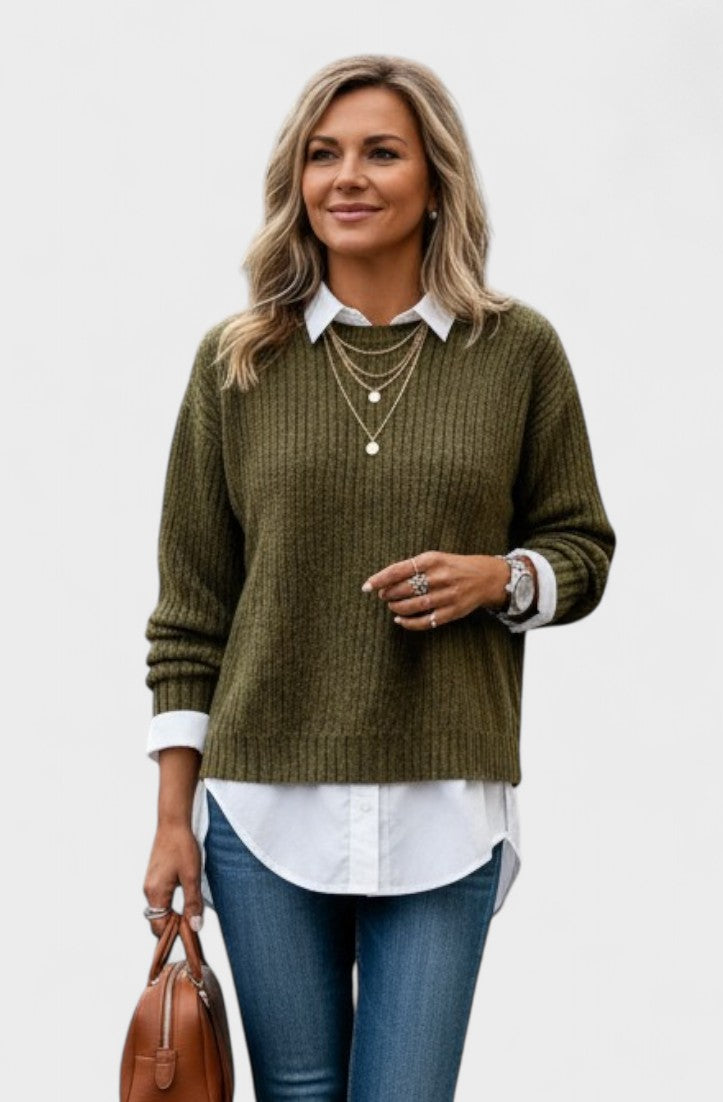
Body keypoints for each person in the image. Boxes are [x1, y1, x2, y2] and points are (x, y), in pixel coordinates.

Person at [142, 54, 616, 1102]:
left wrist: (501, 576)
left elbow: (583, 549)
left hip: (445, 806)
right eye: (324, 154)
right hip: (263, 810)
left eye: (381, 152)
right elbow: (190, 612)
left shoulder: (517, 352)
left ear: (436, 181)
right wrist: (173, 819)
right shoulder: (236, 363)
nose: (347, 176)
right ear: (297, 180)